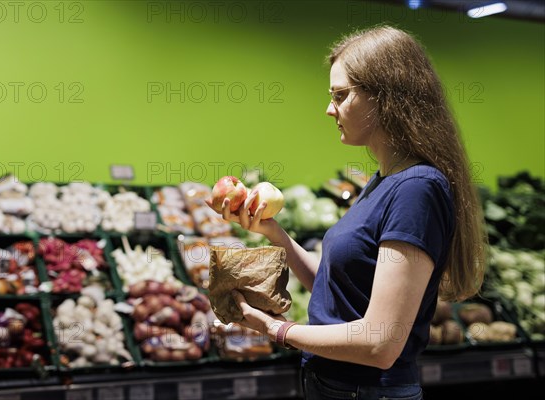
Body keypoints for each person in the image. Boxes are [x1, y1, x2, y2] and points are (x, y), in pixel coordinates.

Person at [209, 24, 487, 400]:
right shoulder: (383, 181)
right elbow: (338, 290)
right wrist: (274, 233)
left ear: (386, 97)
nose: (329, 109)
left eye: (340, 95)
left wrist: (277, 330)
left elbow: (381, 344)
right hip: (338, 386)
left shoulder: (416, 188)